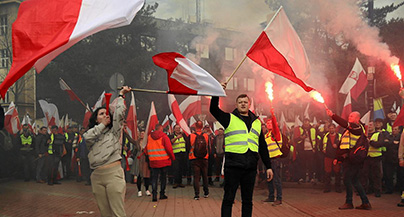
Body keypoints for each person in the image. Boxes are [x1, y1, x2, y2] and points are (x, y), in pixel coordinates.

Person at [210, 87, 273, 217]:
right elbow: (213, 110)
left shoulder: (257, 123)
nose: (243, 104)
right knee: (228, 199)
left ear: (249, 104)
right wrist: (217, 93)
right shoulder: (229, 118)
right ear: (236, 105)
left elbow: (262, 146)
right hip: (233, 166)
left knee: (248, 201)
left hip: (250, 167)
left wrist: (268, 166)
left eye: (245, 102)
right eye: (240, 102)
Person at [83, 86, 130, 217]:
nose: (104, 115)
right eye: (101, 114)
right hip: (97, 176)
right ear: (96, 119)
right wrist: (102, 125)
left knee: (117, 212)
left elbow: (120, 114)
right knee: (105, 213)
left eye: (106, 113)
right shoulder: (92, 135)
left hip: (113, 174)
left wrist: (121, 96)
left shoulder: (114, 132)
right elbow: (86, 137)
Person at [326, 109, 371, 210]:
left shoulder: (357, 128)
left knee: (347, 179)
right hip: (348, 159)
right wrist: (337, 157)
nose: (349, 118)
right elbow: (343, 145)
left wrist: (333, 115)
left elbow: (344, 124)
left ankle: (349, 202)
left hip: (353, 159)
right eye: (349, 116)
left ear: (357, 119)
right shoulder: (348, 130)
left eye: (351, 116)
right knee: (354, 180)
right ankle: (365, 202)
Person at [145, 124, 175, 202]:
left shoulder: (149, 137)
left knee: (154, 178)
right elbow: (169, 149)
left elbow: (146, 149)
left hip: (153, 161)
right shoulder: (164, 137)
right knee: (163, 178)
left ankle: (154, 195)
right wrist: (172, 158)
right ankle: (162, 194)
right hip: (164, 161)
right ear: (161, 129)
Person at [361, 118, 386, 197]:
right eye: (369, 125)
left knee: (376, 175)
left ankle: (377, 191)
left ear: (374, 126)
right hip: (366, 158)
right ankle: (365, 190)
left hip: (376, 158)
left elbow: (380, 144)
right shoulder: (364, 135)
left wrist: (370, 142)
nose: (370, 126)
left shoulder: (379, 134)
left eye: (371, 125)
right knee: (365, 175)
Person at [262, 113, 283, 206]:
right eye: (268, 123)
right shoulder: (266, 135)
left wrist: (272, 112)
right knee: (269, 179)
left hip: (275, 159)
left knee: (277, 179)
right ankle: (271, 196)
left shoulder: (276, 133)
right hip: (269, 160)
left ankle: (279, 198)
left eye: (271, 123)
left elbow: (275, 125)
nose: (269, 124)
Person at [189, 120, 210, 200]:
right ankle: (206, 192)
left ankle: (197, 195)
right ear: (202, 127)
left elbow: (188, 147)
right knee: (205, 176)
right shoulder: (206, 135)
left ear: (195, 126)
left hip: (194, 158)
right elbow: (209, 147)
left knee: (196, 177)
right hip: (204, 158)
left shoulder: (191, 136)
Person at [294, 118, 317, 184]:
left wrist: (314, 148)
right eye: (305, 122)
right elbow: (295, 139)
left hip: (310, 150)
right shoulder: (300, 129)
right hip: (302, 150)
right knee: (302, 165)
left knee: (311, 165)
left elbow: (317, 138)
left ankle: (311, 178)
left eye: (307, 122)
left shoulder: (313, 129)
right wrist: (301, 137)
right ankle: (302, 178)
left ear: (309, 123)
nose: (306, 124)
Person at [322, 123, 342, 193]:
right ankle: (327, 188)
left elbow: (343, 144)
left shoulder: (339, 136)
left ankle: (338, 188)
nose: (331, 129)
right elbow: (323, 145)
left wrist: (337, 146)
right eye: (330, 128)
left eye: (332, 128)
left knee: (337, 172)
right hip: (328, 156)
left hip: (337, 156)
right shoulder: (326, 136)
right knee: (327, 172)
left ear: (335, 128)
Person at [384, 126, 401, 194]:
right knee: (388, 175)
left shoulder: (401, 136)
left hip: (398, 158)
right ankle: (389, 189)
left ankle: (399, 189)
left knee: (400, 175)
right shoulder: (389, 136)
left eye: (395, 129)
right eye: (393, 129)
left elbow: (400, 144)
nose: (394, 130)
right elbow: (385, 143)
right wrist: (393, 142)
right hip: (389, 158)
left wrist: (390, 142)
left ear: (399, 130)